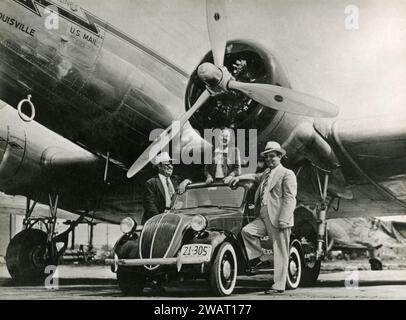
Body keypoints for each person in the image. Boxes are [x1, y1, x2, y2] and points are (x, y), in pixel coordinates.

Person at [229, 141, 297, 293]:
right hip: (263, 214)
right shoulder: (266, 173)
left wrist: (284, 218)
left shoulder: (287, 173)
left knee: (280, 250)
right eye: (267, 157)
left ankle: (279, 286)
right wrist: (238, 178)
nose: (269, 160)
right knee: (247, 232)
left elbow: (290, 198)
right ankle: (262, 258)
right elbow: (254, 176)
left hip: (279, 216)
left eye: (272, 156)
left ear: (280, 156)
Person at [142, 152, 192, 224]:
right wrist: (160, 219)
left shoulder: (175, 179)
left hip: (176, 217)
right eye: (167, 164)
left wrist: (185, 182)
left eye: (171, 164)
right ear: (159, 166)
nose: (170, 166)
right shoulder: (151, 183)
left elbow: (190, 180)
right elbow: (150, 205)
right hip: (158, 219)